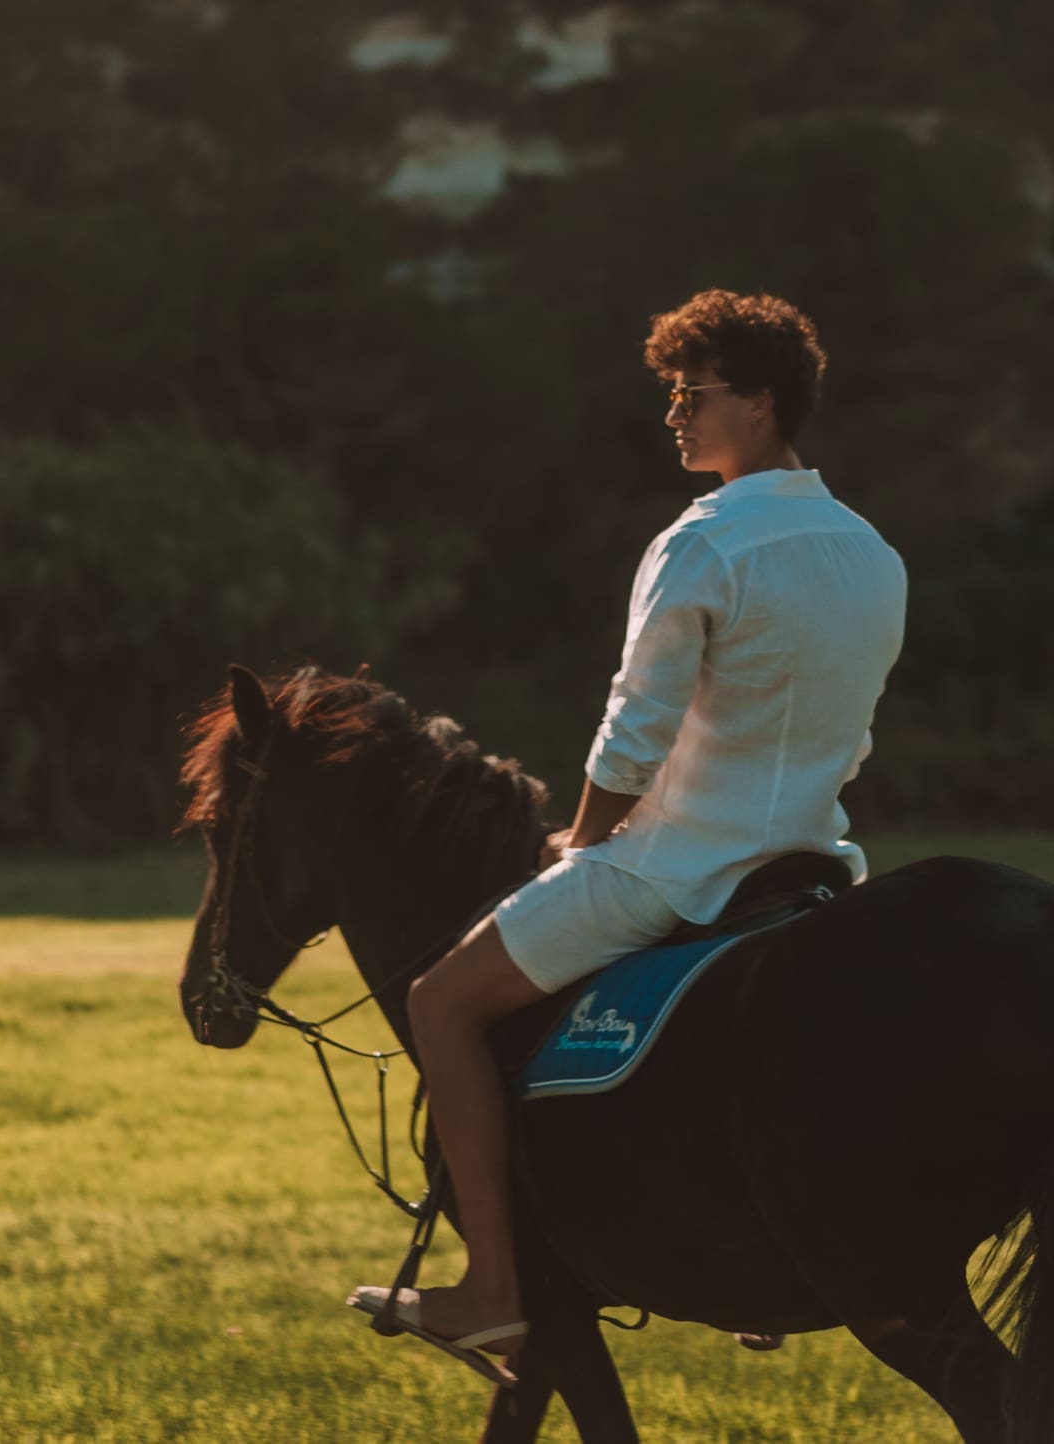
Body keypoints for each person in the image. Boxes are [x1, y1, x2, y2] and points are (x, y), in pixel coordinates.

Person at [350, 289, 907, 1381]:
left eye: (690, 395)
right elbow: (851, 740)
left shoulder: (700, 542)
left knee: (440, 1003)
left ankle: (492, 1291)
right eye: (670, 397)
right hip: (809, 864)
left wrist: (584, 837)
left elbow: (633, 724)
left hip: (675, 869)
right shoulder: (870, 551)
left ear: (756, 401)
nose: (673, 417)